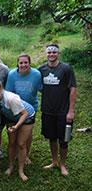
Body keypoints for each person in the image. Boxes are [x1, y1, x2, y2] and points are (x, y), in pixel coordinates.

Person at [38, 44, 77, 176]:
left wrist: (71, 111)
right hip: (48, 111)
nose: (51, 55)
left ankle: (63, 165)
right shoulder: (41, 69)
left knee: (64, 140)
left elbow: (73, 89)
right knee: (52, 138)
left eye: (54, 52)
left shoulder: (66, 69)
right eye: (49, 53)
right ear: (46, 54)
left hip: (63, 112)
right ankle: (54, 161)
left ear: (58, 54)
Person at [0, 78, 35, 181]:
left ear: (1, 88)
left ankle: (21, 170)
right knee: (12, 143)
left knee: (21, 144)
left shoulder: (11, 98)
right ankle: (10, 166)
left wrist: (16, 127)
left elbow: (24, 114)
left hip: (26, 116)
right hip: (12, 116)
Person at [6, 54, 43, 164]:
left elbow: (42, 89)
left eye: (25, 62)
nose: (23, 65)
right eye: (21, 63)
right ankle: (16, 153)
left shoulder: (36, 74)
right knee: (15, 130)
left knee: (28, 132)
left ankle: (26, 154)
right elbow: (9, 92)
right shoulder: (12, 74)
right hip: (16, 108)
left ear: (29, 63)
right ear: (17, 63)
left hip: (31, 107)